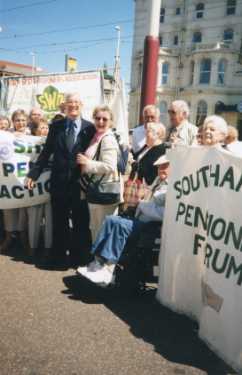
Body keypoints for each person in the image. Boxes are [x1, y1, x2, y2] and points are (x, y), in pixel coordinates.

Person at [76, 154, 170, 287]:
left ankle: (108, 269)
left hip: (152, 226)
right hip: (141, 219)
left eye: (165, 167)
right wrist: (141, 205)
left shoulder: (172, 188)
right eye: (160, 167)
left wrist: (142, 205)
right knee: (111, 220)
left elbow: (163, 214)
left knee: (121, 225)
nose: (161, 170)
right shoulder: (158, 181)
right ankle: (98, 262)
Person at [27, 93, 94, 268]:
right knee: (59, 222)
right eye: (70, 102)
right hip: (59, 182)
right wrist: (33, 174)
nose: (73, 105)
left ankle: (79, 259)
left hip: (80, 184)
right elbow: (47, 151)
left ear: (81, 105)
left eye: (76, 102)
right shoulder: (56, 126)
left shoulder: (90, 128)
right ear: (64, 105)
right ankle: (58, 259)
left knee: (80, 222)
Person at [77, 105, 120, 242]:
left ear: (111, 122)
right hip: (95, 189)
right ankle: (97, 260)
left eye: (105, 119)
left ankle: (102, 262)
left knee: (102, 228)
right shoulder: (97, 137)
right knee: (95, 227)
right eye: (97, 118)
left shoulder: (107, 139)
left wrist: (87, 163)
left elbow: (110, 166)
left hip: (103, 190)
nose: (100, 122)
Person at [1, 110, 30, 254]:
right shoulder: (7, 135)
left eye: (23, 120)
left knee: (23, 210)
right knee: (8, 209)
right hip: (8, 179)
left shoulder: (33, 135)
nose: (21, 123)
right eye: (18, 120)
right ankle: (8, 238)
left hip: (24, 179)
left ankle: (23, 237)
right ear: (13, 122)